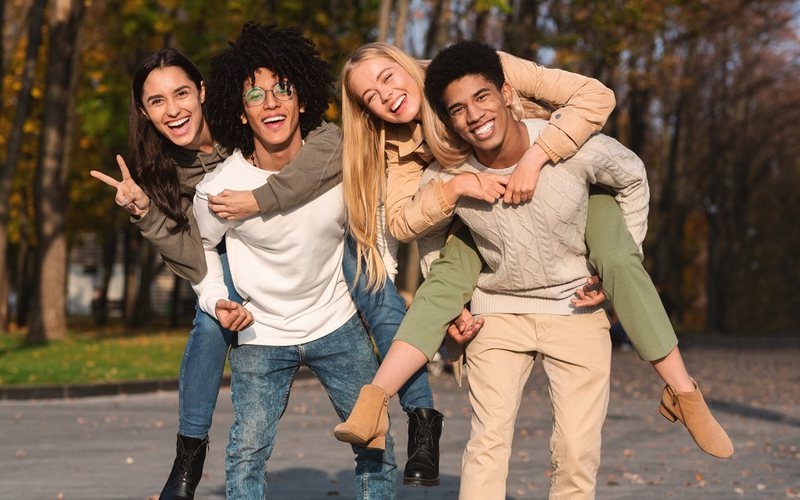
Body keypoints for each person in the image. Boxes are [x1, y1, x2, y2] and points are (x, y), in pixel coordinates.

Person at [334, 41, 732, 461]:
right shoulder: (397, 146)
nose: (386, 97)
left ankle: (683, 392)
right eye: (371, 98)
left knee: (618, 260)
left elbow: (597, 96)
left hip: (563, 185)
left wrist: (537, 157)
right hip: (489, 211)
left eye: (387, 78)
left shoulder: (483, 70)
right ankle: (374, 402)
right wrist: (457, 190)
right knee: (441, 287)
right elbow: (405, 222)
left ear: (403, 63)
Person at [88, 44, 422, 498]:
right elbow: (192, 254)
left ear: (204, 92)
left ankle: (423, 418)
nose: (173, 110)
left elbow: (327, 144)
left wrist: (260, 198)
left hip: (312, 241)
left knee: (372, 277)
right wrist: (146, 212)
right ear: (144, 113)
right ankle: (189, 453)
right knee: (210, 323)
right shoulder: (162, 172)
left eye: (181, 93)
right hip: (237, 259)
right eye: (157, 102)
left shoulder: (244, 121)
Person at [192, 23, 396, 498]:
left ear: (302, 99)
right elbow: (201, 250)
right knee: (247, 453)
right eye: (256, 95)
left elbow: (374, 214)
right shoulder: (219, 188)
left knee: (377, 446)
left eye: (283, 89)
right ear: (241, 114)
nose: (272, 103)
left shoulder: (335, 163)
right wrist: (217, 300)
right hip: (261, 334)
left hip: (339, 324)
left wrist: (387, 267)